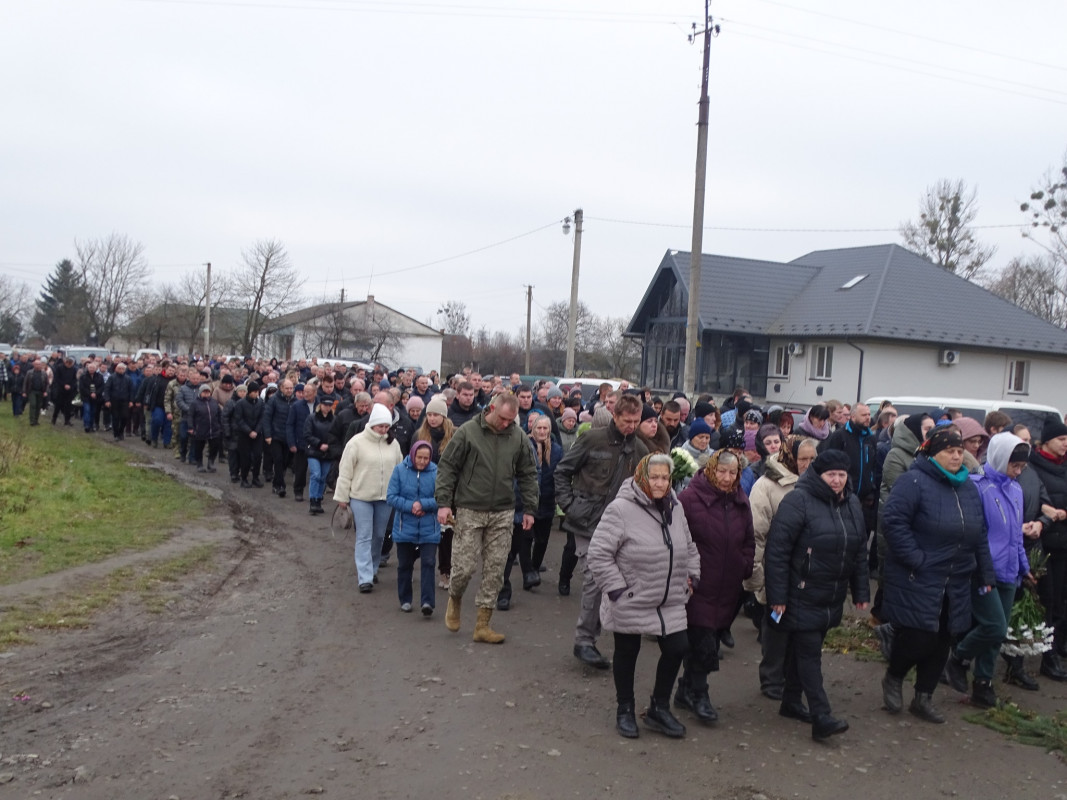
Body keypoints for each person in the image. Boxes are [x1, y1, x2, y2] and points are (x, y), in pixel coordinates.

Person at [881, 426, 994, 724]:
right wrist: (916, 558)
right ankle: (894, 676)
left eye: (960, 451)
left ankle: (924, 697)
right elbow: (893, 521)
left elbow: (979, 533)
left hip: (957, 577)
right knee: (919, 637)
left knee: (944, 638)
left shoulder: (968, 487)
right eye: (950, 451)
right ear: (933, 453)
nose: (957, 456)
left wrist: (986, 573)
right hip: (921, 575)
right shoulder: (914, 481)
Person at [586, 453, 700, 739]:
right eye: (655, 477)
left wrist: (692, 576)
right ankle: (625, 709)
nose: (660, 483)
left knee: (677, 647)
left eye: (665, 477)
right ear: (642, 477)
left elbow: (688, 544)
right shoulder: (621, 509)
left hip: (670, 597)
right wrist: (617, 590)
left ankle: (659, 708)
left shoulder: (676, 506)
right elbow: (599, 553)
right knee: (627, 651)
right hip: (631, 597)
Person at [765, 449, 870, 740]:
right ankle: (822, 716)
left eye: (841, 475)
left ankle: (790, 701)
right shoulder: (798, 501)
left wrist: (861, 590)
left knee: (805, 652)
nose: (836, 481)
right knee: (810, 655)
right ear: (818, 474)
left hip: (831, 595)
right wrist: (778, 597)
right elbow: (777, 551)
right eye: (830, 475)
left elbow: (859, 550)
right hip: (801, 592)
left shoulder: (852, 504)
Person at [434, 393, 539, 643]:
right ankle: (456, 598)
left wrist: (530, 509)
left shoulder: (518, 437)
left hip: (503, 512)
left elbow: (527, 473)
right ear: (491, 409)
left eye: (511, 420)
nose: (506, 424)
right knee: (464, 568)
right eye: (503, 418)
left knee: (495, 571)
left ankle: (483, 624)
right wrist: (443, 503)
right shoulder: (468, 432)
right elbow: (447, 467)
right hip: (470, 508)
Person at [555, 393, 648, 667]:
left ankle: (613, 634)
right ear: (615, 416)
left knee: (619, 580)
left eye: (636, 421)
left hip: (620, 526)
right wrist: (570, 506)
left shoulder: (640, 450)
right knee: (595, 576)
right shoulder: (592, 439)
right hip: (586, 521)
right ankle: (584, 640)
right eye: (627, 420)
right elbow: (563, 471)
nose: (631, 425)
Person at [943, 433, 1035, 708]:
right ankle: (958, 658)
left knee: (998, 630)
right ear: (1000, 458)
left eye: (1022, 468)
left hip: (1009, 571)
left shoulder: (1016, 490)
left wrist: (1024, 566)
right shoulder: (978, 488)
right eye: (1013, 465)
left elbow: (1015, 535)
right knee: (994, 626)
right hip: (984, 570)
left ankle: (983, 684)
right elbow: (974, 533)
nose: (1018, 472)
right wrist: (979, 568)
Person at [676, 449, 754, 724]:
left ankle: (684, 689)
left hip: (729, 586)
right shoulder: (690, 498)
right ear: (711, 469)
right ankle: (700, 694)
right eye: (722, 471)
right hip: (699, 584)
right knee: (703, 642)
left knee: (711, 638)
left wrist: (744, 563)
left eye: (733, 473)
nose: (726, 477)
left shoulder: (739, 500)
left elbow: (748, 537)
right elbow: (679, 538)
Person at [745, 435, 817, 700]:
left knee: (801, 629)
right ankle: (771, 678)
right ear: (790, 457)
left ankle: (793, 677)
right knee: (776, 627)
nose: (808, 465)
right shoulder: (767, 486)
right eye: (802, 459)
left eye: (812, 459)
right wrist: (756, 575)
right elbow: (756, 533)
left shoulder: (820, 485)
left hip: (807, 572)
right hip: (777, 569)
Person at [335, 403, 404, 592]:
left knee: (379, 535)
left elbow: (400, 469)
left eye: (386, 426)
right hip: (360, 497)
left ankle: (373, 569)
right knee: (364, 535)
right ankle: (364, 577)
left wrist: (401, 492)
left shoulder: (393, 443)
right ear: (372, 424)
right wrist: (342, 496)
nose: (383, 430)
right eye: (380, 426)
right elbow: (345, 470)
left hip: (385, 498)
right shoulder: (356, 442)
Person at [1027, 419, 1067, 681]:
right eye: (1062, 439)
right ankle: (1046, 657)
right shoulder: (1033, 466)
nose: (1065, 444)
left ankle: (1057, 646)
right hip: (1043, 544)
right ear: (1047, 441)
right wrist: (1049, 513)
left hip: (1064, 543)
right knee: (1048, 600)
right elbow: (1036, 500)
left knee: (1062, 599)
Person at [387, 440, 440, 615]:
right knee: (404, 565)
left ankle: (427, 602)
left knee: (429, 563)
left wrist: (423, 505)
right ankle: (405, 599)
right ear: (412, 455)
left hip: (429, 528)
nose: (422, 461)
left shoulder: (436, 472)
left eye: (426, 458)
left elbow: (443, 497)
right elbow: (391, 497)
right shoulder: (400, 470)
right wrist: (411, 506)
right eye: (419, 457)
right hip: (404, 528)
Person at [415, 396, 456, 588]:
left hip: (448, 488)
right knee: (426, 528)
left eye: (436, 415)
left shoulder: (454, 435)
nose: (432, 418)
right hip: (425, 486)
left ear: (443, 416)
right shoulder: (420, 435)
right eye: (429, 414)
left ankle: (446, 571)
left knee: (447, 533)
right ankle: (425, 566)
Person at [304, 395, 340, 515]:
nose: (327, 407)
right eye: (325, 405)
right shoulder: (312, 418)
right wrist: (319, 444)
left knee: (323, 476)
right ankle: (313, 500)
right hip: (314, 451)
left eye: (330, 405)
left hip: (328, 452)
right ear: (320, 405)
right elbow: (307, 434)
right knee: (316, 474)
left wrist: (330, 445)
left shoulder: (334, 419)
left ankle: (318, 499)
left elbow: (336, 434)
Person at [233, 381, 266, 488]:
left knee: (257, 456)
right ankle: (244, 478)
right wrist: (249, 431)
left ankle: (255, 477)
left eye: (257, 392)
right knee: (245, 457)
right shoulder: (240, 403)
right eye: (254, 392)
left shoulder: (260, 402)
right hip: (244, 434)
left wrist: (256, 431)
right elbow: (239, 419)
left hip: (257, 434)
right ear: (249, 392)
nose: (255, 394)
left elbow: (262, 418)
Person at [187, 382, 223, 472]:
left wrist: (220, 425)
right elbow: (190, 416)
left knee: (214, 447)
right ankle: (199, 463)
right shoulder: (195, 403)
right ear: (200, 392)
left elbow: (219, 414)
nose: (206, 394)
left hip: (214, 429)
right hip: (200, 429)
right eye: (204, 392)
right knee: (199, 447)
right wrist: (191, 427)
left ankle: (211, 462)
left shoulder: (214, 402)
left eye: (208, 392)